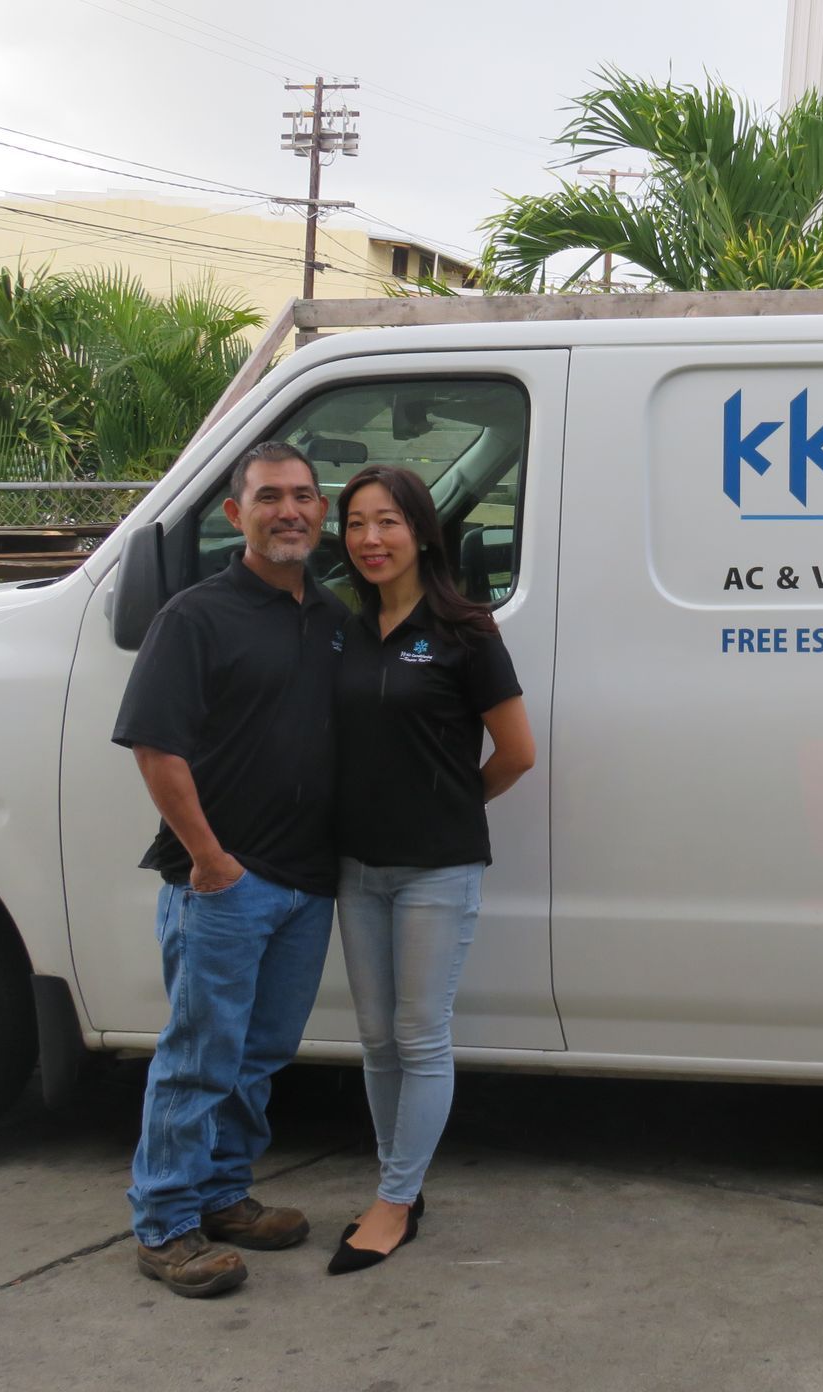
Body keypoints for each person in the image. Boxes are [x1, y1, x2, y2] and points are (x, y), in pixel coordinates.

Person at [113, 442, 347, 1298]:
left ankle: (222, 1194)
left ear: (322, 513)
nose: (290, 511)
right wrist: (212, 861)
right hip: (222, 882)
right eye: (270, 497)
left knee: (261, 1052)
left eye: (304, 498)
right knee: (200, 1055)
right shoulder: (196, 616)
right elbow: (156, 745)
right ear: (234, 513)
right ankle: (166, 1223)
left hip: (304, 882)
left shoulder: (329, 618)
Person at [327, 465, 535, 1275]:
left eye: (387, 522)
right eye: (355, 524)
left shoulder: (467, 630)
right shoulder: (344, 631)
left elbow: (516, 753)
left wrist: (451, 806)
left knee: (419, 1035)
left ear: (421, 532)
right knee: (376, 1040)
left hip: (435, 872)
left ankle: (393, 1201)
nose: (371, 539)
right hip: (355, 865)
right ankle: (399, 1188)